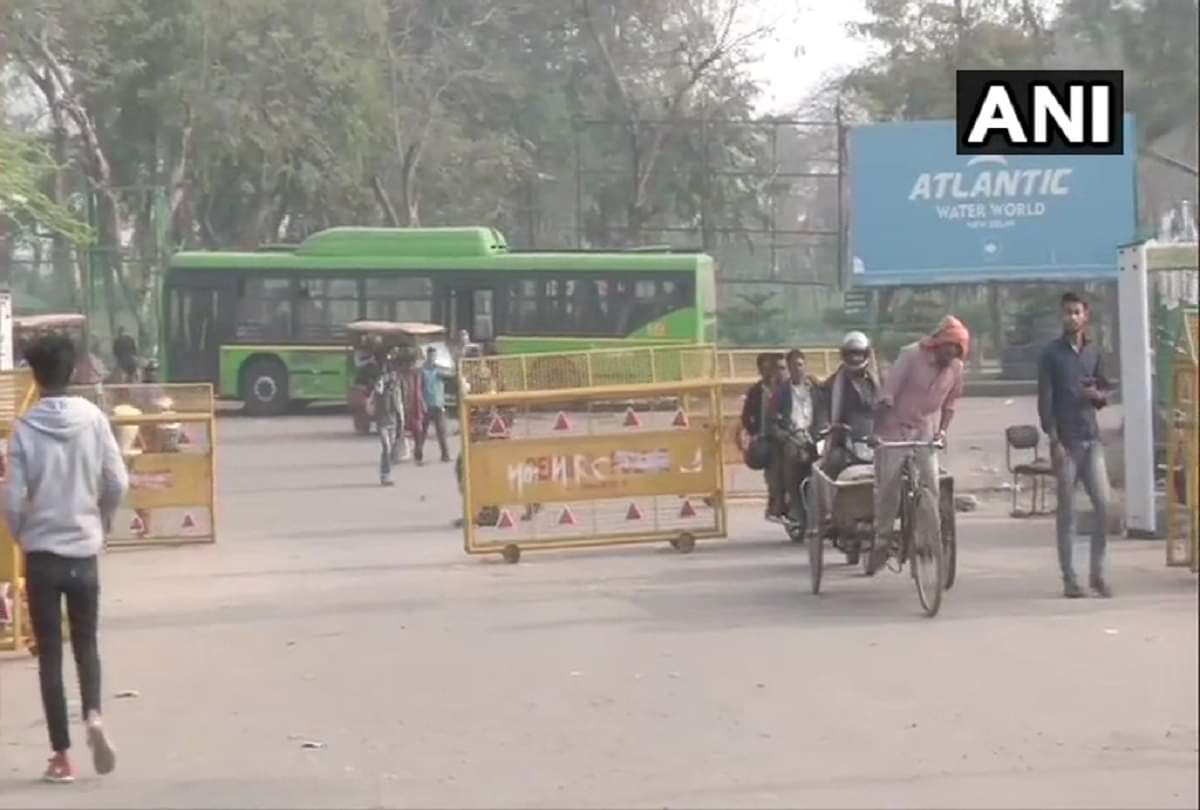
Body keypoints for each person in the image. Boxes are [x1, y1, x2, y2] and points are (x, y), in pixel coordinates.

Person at [3, 334, 126, 783]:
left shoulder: (26, 427)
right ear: (73, 370)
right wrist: (102, 521)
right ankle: (94, 714)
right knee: (87, 644)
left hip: (42, 557)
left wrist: (24, 535)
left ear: (34, 375)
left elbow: (12, 499)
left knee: (50, 656)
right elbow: (117, 481)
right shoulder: (93, 419)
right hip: (83, 550)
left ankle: (61, 756)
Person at [870, 316, 969, 574]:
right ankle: (882, 540)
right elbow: (889, 390)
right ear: (939, 343)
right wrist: (882, 418)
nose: (952, 354)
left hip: (925, 430)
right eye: (950, 347)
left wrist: (942, 432)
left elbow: (950, 405)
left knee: (931, 483)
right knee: (888, 488)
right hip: (895, 427)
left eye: (957, 350)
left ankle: (927, 538)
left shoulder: (956, 369)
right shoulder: (911, 355)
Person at [1037, 292, 1113, 599]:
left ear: (1086, 316)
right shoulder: (1051, 354)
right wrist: (1053, 440)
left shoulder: (1093, 351)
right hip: (1066, 443)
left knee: (1104, 506)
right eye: (1066, 312)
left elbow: (1104, 387)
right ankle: (1070, 578)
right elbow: (1045, 400)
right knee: (1067, 513)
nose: (1071, 317)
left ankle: (1097, 574)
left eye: (1076, 312)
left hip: (1091, 439)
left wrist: (1098, 396)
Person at [768, 349, 819, 524]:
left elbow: (826, 412)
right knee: (790, 457)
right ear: (788, 368)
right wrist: (785, 435)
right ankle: (795, 505)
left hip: (814, 438)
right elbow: (772, 422)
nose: (797, 369)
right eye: (793, 365)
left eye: (800, 365)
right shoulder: (780, 393)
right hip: (792, 438)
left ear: (805, 365)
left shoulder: (816, 389)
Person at [822, 331, 881, 479]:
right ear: (844, 355)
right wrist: (827, 426)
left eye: (859, 353)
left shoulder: (878, 382)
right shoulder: (832, 384)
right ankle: (831, 501)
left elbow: (888, 408)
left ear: (866, 354)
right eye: (851, 353)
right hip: (844, 441)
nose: (855, 358)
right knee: (834, 461)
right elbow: (822, 411)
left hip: (876, 441)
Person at [370, 354, 407, 486]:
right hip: (383, 423)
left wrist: (402, 422)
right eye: (390, 373)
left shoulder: (396, 389)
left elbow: (400, 406)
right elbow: (377, 390)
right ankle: (385, 475)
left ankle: (386, 474)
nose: (392, 376)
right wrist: (380, 382)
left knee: (390, 450)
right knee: (386, 448)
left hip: (393, 423)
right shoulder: (381, 387)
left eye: (393, 374)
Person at [415, 345, 451, 464]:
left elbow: (450, 376)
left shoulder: (439, 370)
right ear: (427, 356)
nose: (432, 358)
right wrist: (422, 403)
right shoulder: (422, 371)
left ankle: (445, 455)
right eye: (431, 355)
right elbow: (419, 389)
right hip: (426, 404)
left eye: (434, 355)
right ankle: (418, 454)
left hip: (438, 404)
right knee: (422, 432)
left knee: (441, 431)